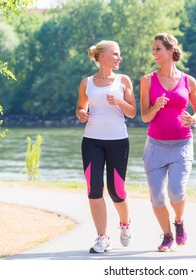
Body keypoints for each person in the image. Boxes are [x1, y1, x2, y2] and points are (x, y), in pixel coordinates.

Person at [140, 33, 196, 252]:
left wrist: (194, 118)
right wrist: (156, 106)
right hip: (155, 146)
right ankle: (167, 236)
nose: (154, 53)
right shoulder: (147, 80)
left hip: (182, 144)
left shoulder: (188, 80)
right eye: (153, 49)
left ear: (170, 51)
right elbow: (145, 117)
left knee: (176, 191)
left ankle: (179, 221)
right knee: (157, 197)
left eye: (157, 48)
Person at [76, 40, 137, 253]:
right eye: (116, 54)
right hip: (91, 140)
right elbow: (80, 108)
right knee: (94, 189)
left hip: (118, 140)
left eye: (119, 55)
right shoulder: (87, 83)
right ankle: (102, 237)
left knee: (116, 190)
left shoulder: (123, 80)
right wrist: (81, 114)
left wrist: (119, 102)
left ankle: (125, 223)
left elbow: (132, 112)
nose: (119, 58)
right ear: (102, 57)